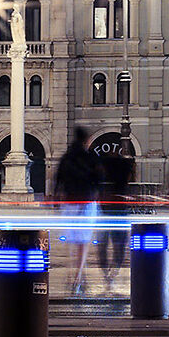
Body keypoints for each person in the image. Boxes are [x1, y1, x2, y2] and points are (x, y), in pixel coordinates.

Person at [53, 125, 101, 296]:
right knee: (83, 242)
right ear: (86, 140)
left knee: (73, 240)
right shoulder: (90, 157)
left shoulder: (67, 157)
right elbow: (98, 179)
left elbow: (58, 178)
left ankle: (73, 272)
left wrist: (56, 198)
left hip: (69, 201)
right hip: (86, 202)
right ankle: (78, 276)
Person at [96, 146, 133, 295]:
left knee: (103, 245)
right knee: (119, 245)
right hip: (120, 209)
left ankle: (107, 276)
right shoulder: (124, 169)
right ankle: (113, 273)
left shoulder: (102, 171)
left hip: (104, 210)